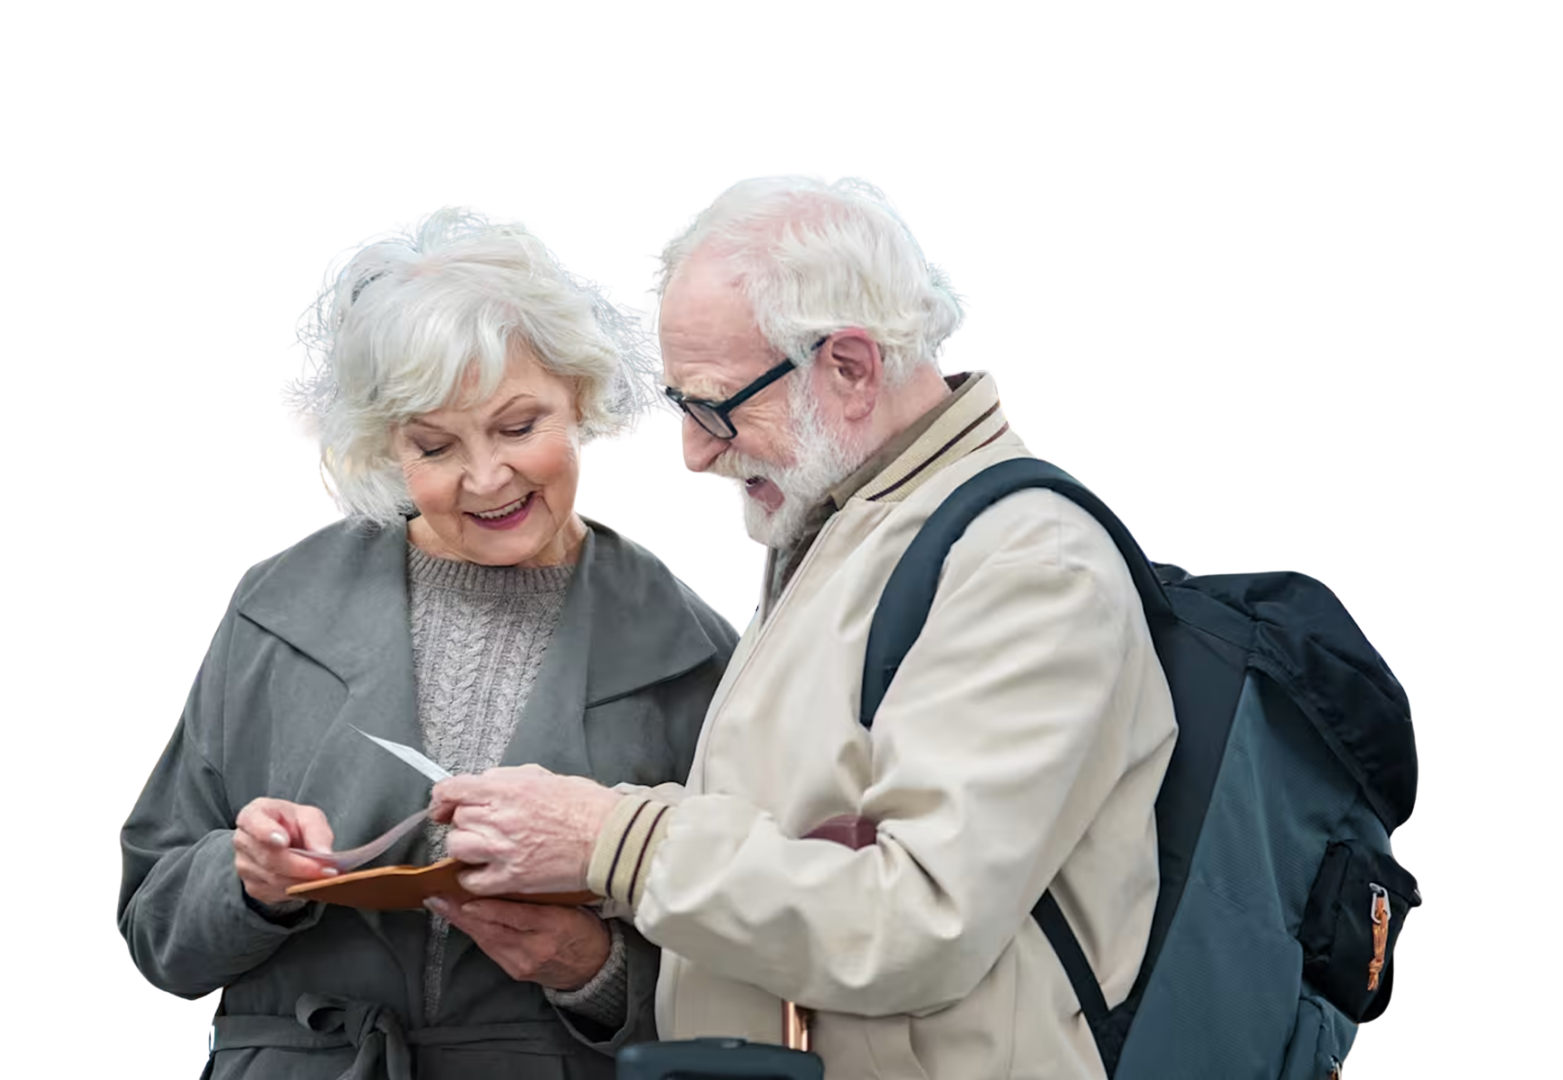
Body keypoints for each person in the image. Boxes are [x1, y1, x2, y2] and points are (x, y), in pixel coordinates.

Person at [425, 173, 1180, 1078]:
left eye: (715, 406)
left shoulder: (1025, 562)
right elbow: (793, 845)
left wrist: (611, 841)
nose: (698, 451)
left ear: (851, 368)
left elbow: (916, 923)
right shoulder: (858, 524)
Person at [116, 205, 739, 1079]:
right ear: (381, 446)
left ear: (583, 398)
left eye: (520, 426)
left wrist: (593, 972)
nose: (487, 477)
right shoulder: (275, 606)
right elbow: (154, 935)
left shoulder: (692, 647)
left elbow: (755, 962)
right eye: (435, 445)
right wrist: (247, 880)